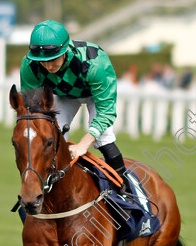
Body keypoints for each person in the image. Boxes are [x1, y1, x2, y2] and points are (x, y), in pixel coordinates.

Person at [19, 20, 130, 195]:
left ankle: (127, 192)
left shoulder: (95, 62)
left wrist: (83, 145)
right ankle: (46, 189)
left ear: (65, 50)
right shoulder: (29, 65)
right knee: (51, 136)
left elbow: (106, 112)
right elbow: (32, 108)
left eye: (52, 59)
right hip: (63, 95)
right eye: (43, 62)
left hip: (95, 95)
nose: (48, 67)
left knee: (104, 139)